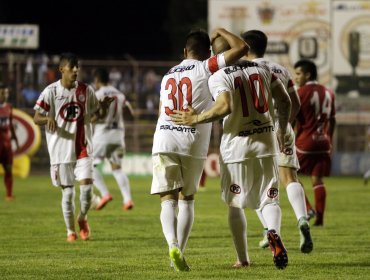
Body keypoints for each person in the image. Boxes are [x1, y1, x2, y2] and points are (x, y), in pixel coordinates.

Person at [171, 36, 291, 269]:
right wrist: (282, 129)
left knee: (236, 204)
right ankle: (273, 232)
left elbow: (225, 107)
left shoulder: (219, 76)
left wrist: (196, 118)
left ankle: (243, 259)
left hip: (237, 146)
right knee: (270, 198)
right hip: (266, 141)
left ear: (217, 56)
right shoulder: (263, 69)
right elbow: (284, 101)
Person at [151, 28, 248, 272]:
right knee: (187, 198)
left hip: (164, 137)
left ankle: (171, 245)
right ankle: (179, 252)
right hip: (192, 139)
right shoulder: (207, 67)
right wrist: (224, 31)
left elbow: (161, 109)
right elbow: (242, 48)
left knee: (167, 198)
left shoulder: (167, 75)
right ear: (206, 53)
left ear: (184, 51)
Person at [241, 30, 313, 253]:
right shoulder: (280, 69)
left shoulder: (244, 70)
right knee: (290, 177)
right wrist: (284, 126)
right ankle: (302, 219)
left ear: (245, 46)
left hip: (256, 133)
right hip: (283, 129)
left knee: (253, 188)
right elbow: (295, 103)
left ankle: (270, 232)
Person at [33, 53, 113, 242]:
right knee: (68, 194)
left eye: (78, 67)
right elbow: (36, 118)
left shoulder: (86, 90)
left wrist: (104, 108)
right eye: (72, 67)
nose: (76, 70)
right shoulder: (50, 92)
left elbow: (97, 116)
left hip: (83, 148)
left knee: (86, 191)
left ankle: (83, 218)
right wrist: (47, 118)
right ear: (62, 69)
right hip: (60, 151)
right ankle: (70, 231)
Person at [293, 59, 336, 226]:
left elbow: (293, 119)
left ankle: (308, 208)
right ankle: (320, 220)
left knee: (289, 175)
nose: (295, 78)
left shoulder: (300, 93)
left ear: (307, 74)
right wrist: (329, 140)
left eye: (298, 74)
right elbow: (332, 121)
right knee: (317, 180)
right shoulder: (329, 92)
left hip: (306, 143)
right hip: (323, 142)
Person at [91, 67, 135, 211]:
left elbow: (94, 115)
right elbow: (131, 113)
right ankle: (127, 200)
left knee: (87, 166)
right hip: (118, 136)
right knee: (117, 169)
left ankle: (104, 194)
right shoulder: (120, 94)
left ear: (97, 80)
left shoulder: (97, 94)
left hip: (102, 135)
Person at [0, 83, 19, 201]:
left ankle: (9, 194)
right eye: (2, 93)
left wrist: (15, 139)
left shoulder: (9, 107)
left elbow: (10, 124)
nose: (5, 95)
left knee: (8, 168)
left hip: (6, 144)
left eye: (6, 93)